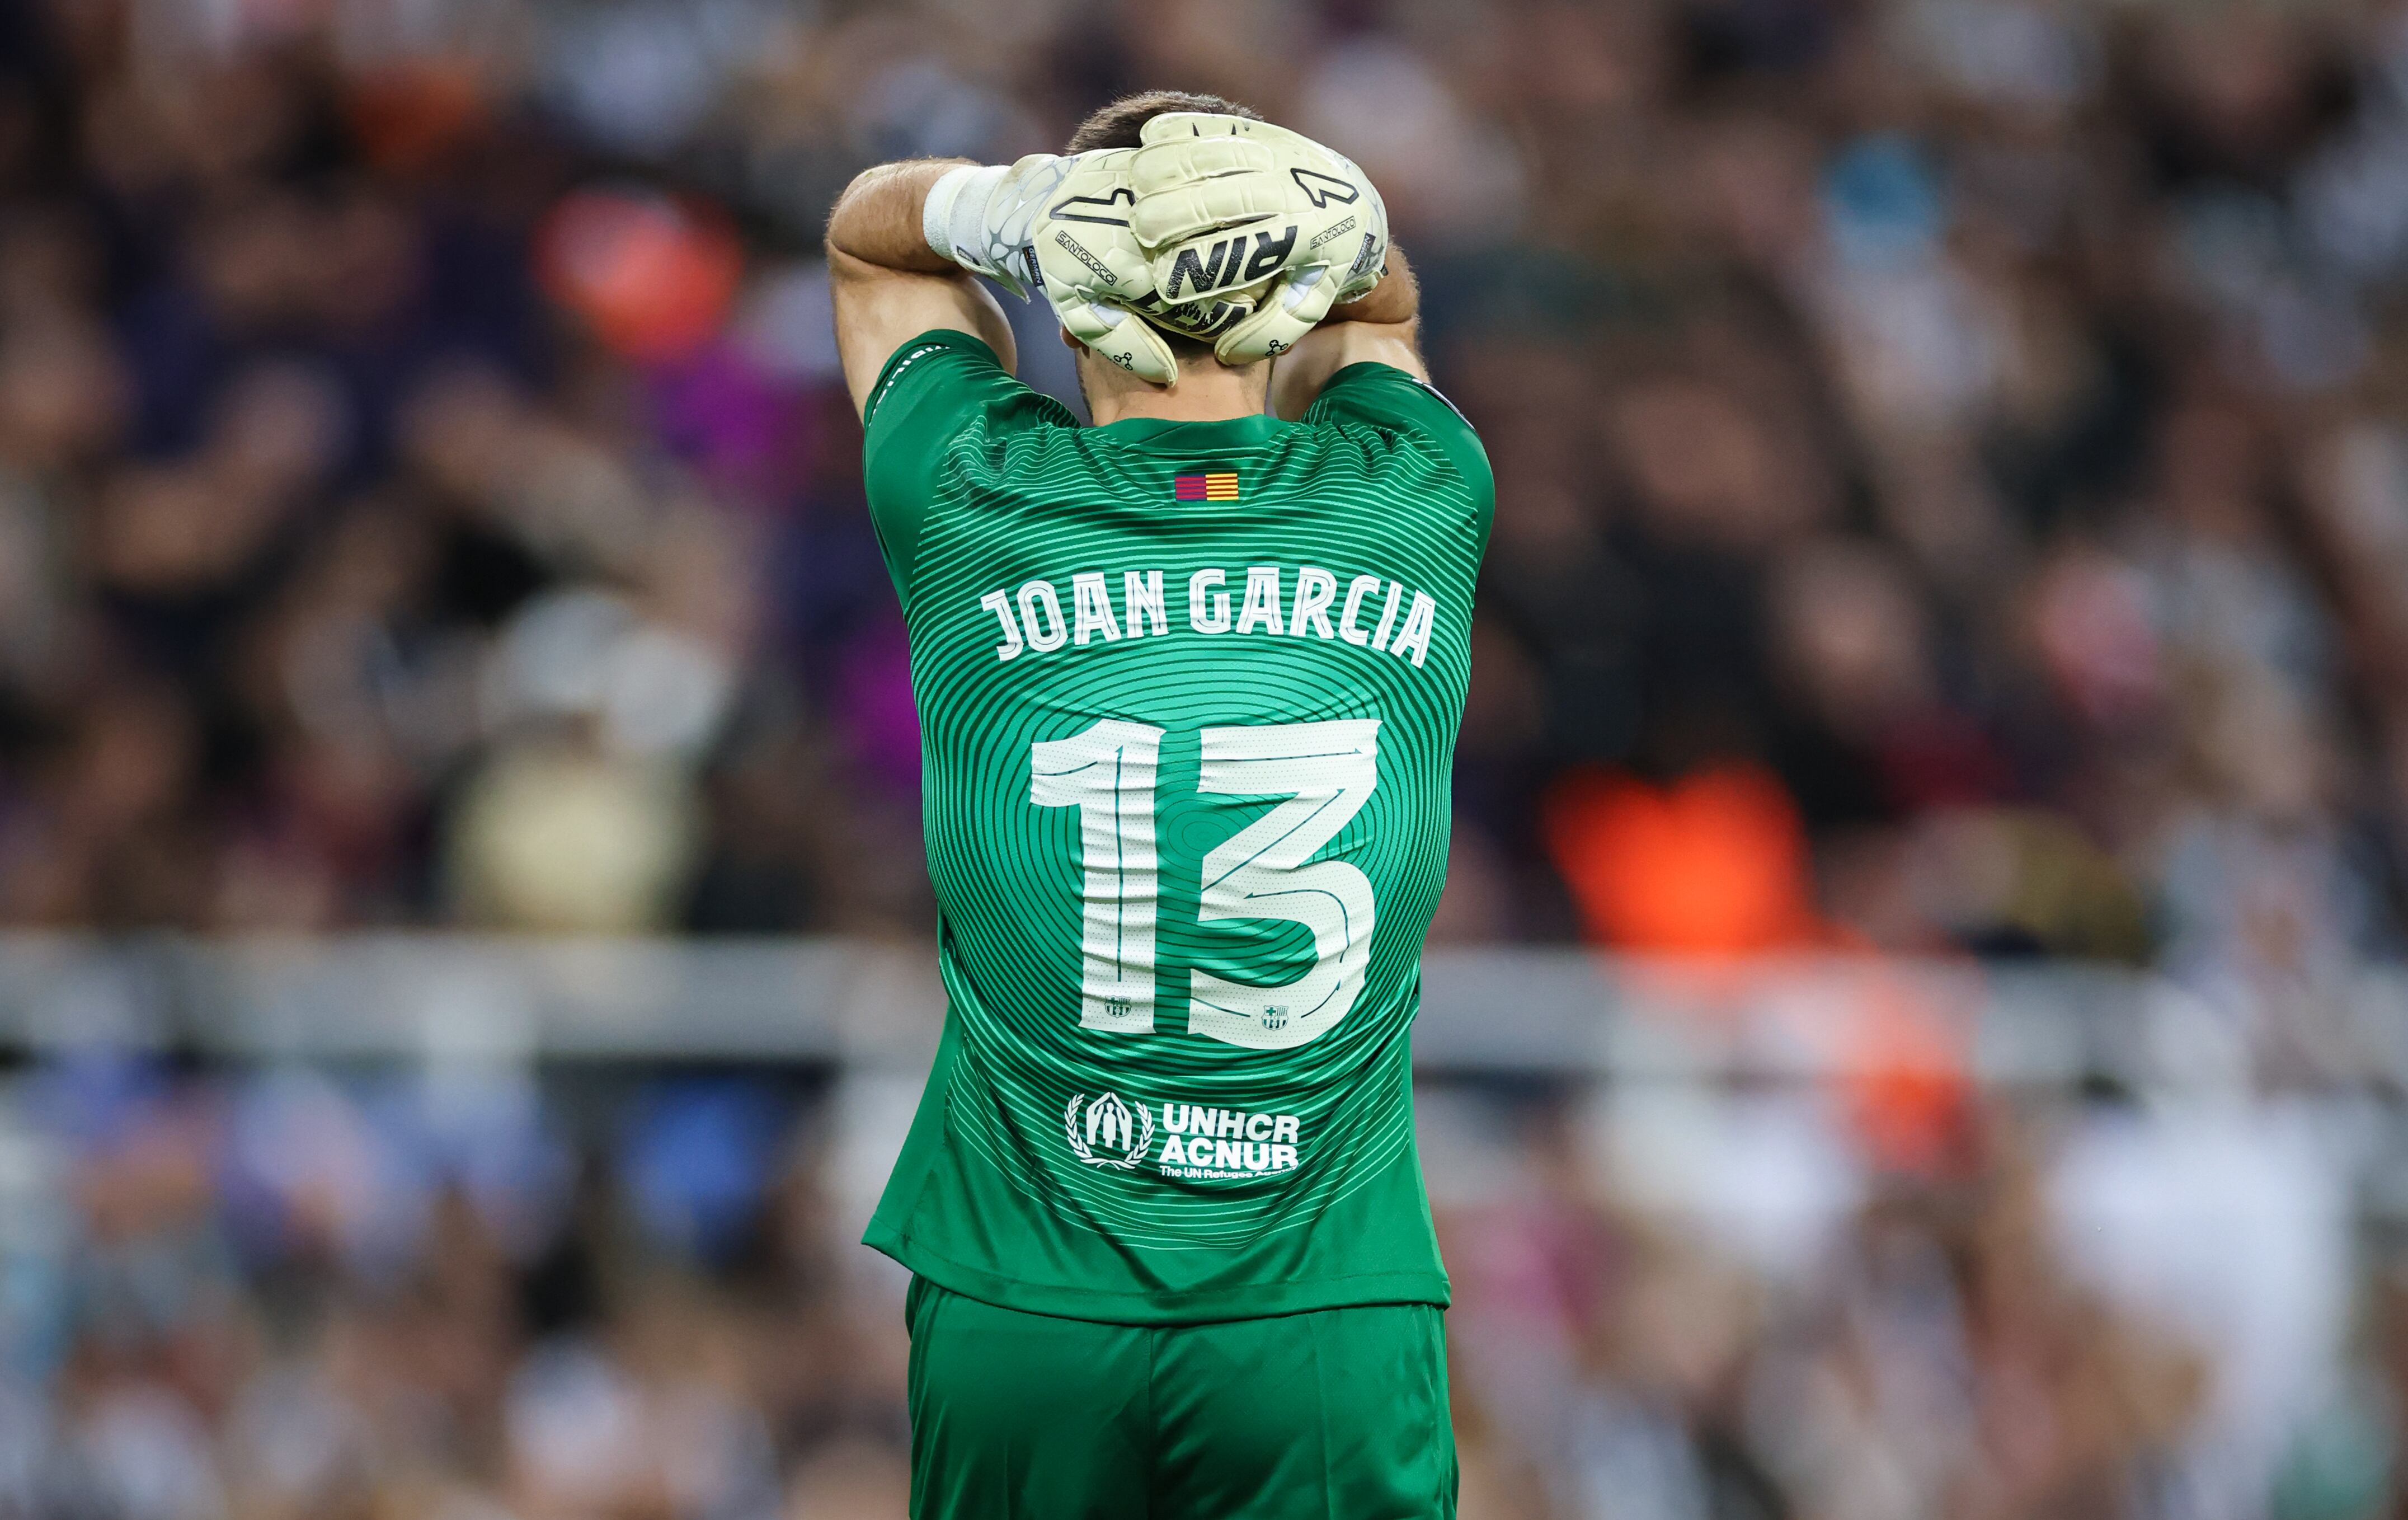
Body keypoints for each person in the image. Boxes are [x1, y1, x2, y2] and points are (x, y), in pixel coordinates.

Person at [825, 90, 1493, 1519]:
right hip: (1319, 1300)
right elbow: (1375, 326)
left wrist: (997, 208)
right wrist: (1333, 222)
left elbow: (869, 249)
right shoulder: (1420, 496)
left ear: (1070, 291)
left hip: (1024, 1293)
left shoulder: (969, 492)